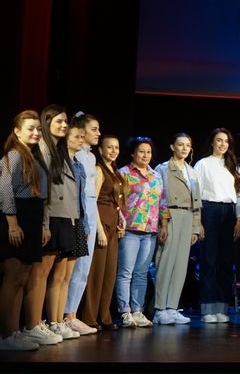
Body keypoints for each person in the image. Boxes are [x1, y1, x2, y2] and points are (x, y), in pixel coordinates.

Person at [34, 106, 87, 340]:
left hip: (68, 217)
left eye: (66, 121)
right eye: (59, 121)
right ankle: (36, 324)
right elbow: (45, 192)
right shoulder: (43, 149)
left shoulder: (59, 151)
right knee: (42, 274)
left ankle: (55, 322)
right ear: (46, 122)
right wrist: (45, 223)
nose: (64, 125)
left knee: (61, 275)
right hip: (53, 216)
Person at [0, 110, 49, 350]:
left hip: (31, 217)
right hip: (17, 217)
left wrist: (42, 224)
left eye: (38, 129)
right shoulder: (14, 155)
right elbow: (5, 190)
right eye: (30, 128)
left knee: (22, 278)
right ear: (17, 131)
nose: (36, 132)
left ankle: (14, 331)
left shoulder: (33, 156)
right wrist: (12, 223)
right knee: (12, 277)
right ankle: (5, 335)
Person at [193, 128, 240, 324]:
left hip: (229, 213)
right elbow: (196, 193)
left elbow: (238, 195)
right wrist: (199, 221)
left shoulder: (233, 166)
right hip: (210, 211)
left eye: (226, 141)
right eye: (219, 140)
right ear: (212, 142)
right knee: (209, 260)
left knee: (225, 262)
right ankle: (207, 307)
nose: (222, 144)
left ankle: (222, 306)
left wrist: (239, 219)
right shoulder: (203, 164)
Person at [153, 133, 202, 325]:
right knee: (165, 263)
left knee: (181, 266)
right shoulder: (163, 169)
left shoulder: (192, 171)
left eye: (187, 145)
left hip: (187, 217)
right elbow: (160, 197)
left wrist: (195, 227)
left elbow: (196, 201)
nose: (184, 148)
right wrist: (162, 223)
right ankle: (159, 309)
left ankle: (172, 307)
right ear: (172, 147)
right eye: (180, 145)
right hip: (171, 216)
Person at [117, 137, 166, 328]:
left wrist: (164, 225)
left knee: (141, 273)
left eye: (149, 152)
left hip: (150, 230)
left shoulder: (156, 175)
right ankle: (124, 311)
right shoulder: (124, 173)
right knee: (126, 273)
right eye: (141, 151)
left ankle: (138, 311)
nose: (145, 155)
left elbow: (162, 202)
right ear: (132, 153)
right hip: (130, 229)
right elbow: (118, 202)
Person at [80, 135, 125, 331]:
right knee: (96, 274)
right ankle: (89, 318)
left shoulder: (115, 172)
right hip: (102, 226)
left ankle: (104, 316)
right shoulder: (99, 170)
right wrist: (99, 229)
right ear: (101, 150)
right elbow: (93, 201)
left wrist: (121, 218)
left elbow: (117, 201)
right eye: (109, 147)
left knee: (109, 274)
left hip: (114, 226)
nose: (113, 151)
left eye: (116, 147)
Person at [63, 112, 101, 336]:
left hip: (89, 212)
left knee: (83, 268)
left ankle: (71, 314)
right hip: (76, 210)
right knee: (72, 266)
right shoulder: (74, 155)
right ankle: (64, 315)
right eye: (94, 129)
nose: (98, 133)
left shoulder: (91, 157)